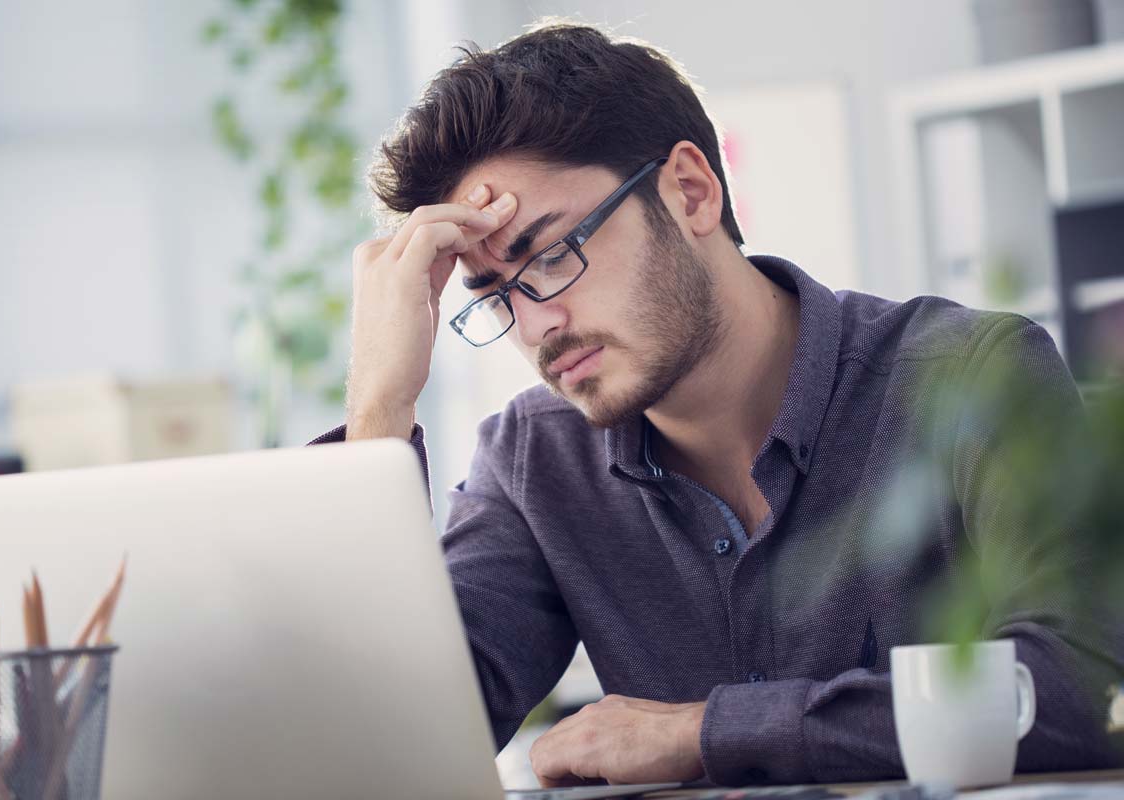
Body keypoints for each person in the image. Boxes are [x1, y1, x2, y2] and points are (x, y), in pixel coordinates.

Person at [310, 22, 1123, 786]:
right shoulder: (533, 460)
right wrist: (381, 405)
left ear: (691, 191)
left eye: (553, 256)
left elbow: (1086, 688)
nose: (537, 325)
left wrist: (703, 732)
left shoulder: (971, 376)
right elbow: (378, 751)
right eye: (496, 299)